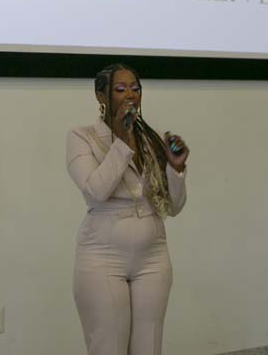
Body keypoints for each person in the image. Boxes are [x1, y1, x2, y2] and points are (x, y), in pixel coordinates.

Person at [67, 63, 189, 355]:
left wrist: (177, 169)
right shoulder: (82, 137)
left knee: (149, 348)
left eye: (135, 88)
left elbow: (173, 206)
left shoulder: (153, 139)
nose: (130, 95)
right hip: (103, 257)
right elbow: (96, 192)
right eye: (120, 89)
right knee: (108, 347)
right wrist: (121, 141)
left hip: (153, 257)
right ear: (101, 96)